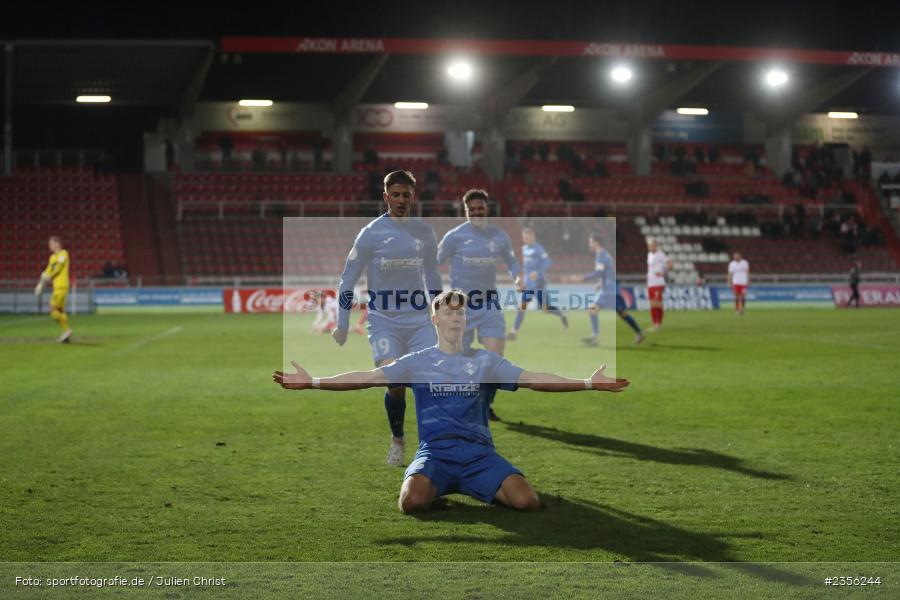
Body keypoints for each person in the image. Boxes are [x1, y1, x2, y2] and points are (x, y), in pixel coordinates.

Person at [273, 290, 630, 513]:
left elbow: (532, 379)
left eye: (460, 313)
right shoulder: (418, 361)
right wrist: (314, 382)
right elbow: (369, 378)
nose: (456, 317)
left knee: (527, 503)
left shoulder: (485, 361)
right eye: (448, 311)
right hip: (435, 452)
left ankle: (466, 484)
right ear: (435, 319)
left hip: (479, 453)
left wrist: (586, 383)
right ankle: (441, 485)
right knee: (411, 503)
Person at [333, 170, 443, 466]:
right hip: (384, 320)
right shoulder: (370, 234)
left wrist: (439, 311)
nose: (401, 200)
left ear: (412, 197)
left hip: (420, 319)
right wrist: (342, 323)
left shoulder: (425, 232)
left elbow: (432, 275)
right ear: (385, 197)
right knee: (394, 382)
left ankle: (430, 446)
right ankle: (397, 438)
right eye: (395, 194)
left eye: (406, 194)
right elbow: (348, 279)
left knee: (429, 382)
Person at [438, 189, 524, 421]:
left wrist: (518, 277)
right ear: (465, 211)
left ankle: (485, 405)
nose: (477, 212)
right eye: (472, 209)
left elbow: (512, 261)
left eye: (480, 208)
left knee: (495, 356)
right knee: (458, 359)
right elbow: (433, 263)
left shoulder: (499, 236)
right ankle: (460, 404)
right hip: (461, 307)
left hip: (490, 305)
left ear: (487, 208)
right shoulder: (454, 237)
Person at [581, 232, 645, 346]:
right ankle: (639, 332)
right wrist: (600, 283)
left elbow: (599, 272)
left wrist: (583, 277)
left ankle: (595, 337)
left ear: (596, 243)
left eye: (590, 242)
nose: (589, 245)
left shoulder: (601, 255)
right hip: (612, 288)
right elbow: (608, 273)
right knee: (622, 313)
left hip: (609, 290)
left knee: (592, 310)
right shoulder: (606, 255)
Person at [507, 227, 568, 340]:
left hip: (539, 283)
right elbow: (527, 266)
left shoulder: (538, 249)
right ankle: (513, 332)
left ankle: (561, 314)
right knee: (522, 307)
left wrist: (538, 272)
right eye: (524, 237)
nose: (525, 239)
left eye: (528, 237)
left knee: (545, 308)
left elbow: (548, 262)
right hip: (529, 285)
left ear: (533, 237)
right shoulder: (524, 248)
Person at [33, 235, 72, 343]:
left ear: (57, 244)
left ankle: (67, 330)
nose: (49, 246)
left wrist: (48, 276)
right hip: (57, 287)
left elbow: (58, 268)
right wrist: (40, 283)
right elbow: (48, 270)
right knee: (59, 311)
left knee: (52, 309)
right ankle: (66, 333)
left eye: (51, 243)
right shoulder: (52, 257)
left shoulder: (64, 254)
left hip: (61, 286)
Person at [646, 238, 673, 332]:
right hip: (650, 283)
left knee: (657, 303)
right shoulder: (649, 255)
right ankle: (655, 324)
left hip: (658, 282)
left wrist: (663, 273)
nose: (650, 247)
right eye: (649, 246)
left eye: (652, 245)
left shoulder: (661, 254)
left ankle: (658, 324)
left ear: (656, 246)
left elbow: (670, 264)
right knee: (652, 304)